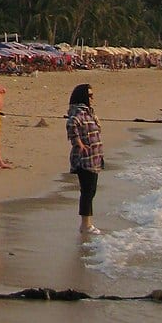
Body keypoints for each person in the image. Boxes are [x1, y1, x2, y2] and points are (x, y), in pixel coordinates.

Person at [66, 83, 104, 234]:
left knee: (91, 190)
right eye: (90, 95)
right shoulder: (79, 112)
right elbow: (71, 124)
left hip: (94, 157)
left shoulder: (89, 112)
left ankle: (87, 223)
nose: (92, 98)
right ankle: (85, 224)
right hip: (85, 158)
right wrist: (78, 142)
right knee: (87, 191)